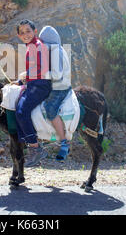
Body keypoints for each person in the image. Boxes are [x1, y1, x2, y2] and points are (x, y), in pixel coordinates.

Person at [14, 19, 51, 167]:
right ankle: (26, 143)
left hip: (40, 85)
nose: (25, 34)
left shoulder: (37, 46)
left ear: (35, 32)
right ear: (18, 35)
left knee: (22, 111)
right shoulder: (32, 46)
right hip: (35, 83)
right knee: (17, 104)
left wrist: (22, 81)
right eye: (22, 32)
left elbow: (40, 69)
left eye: (28, 31)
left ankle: (35, 149)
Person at [39, 25, 72, 161]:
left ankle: (64, 143)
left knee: (50, 109)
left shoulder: (56, 52)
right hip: (55, 85)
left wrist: (39, 75)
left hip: (60, 88)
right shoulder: (56, 49)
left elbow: (57, 75)